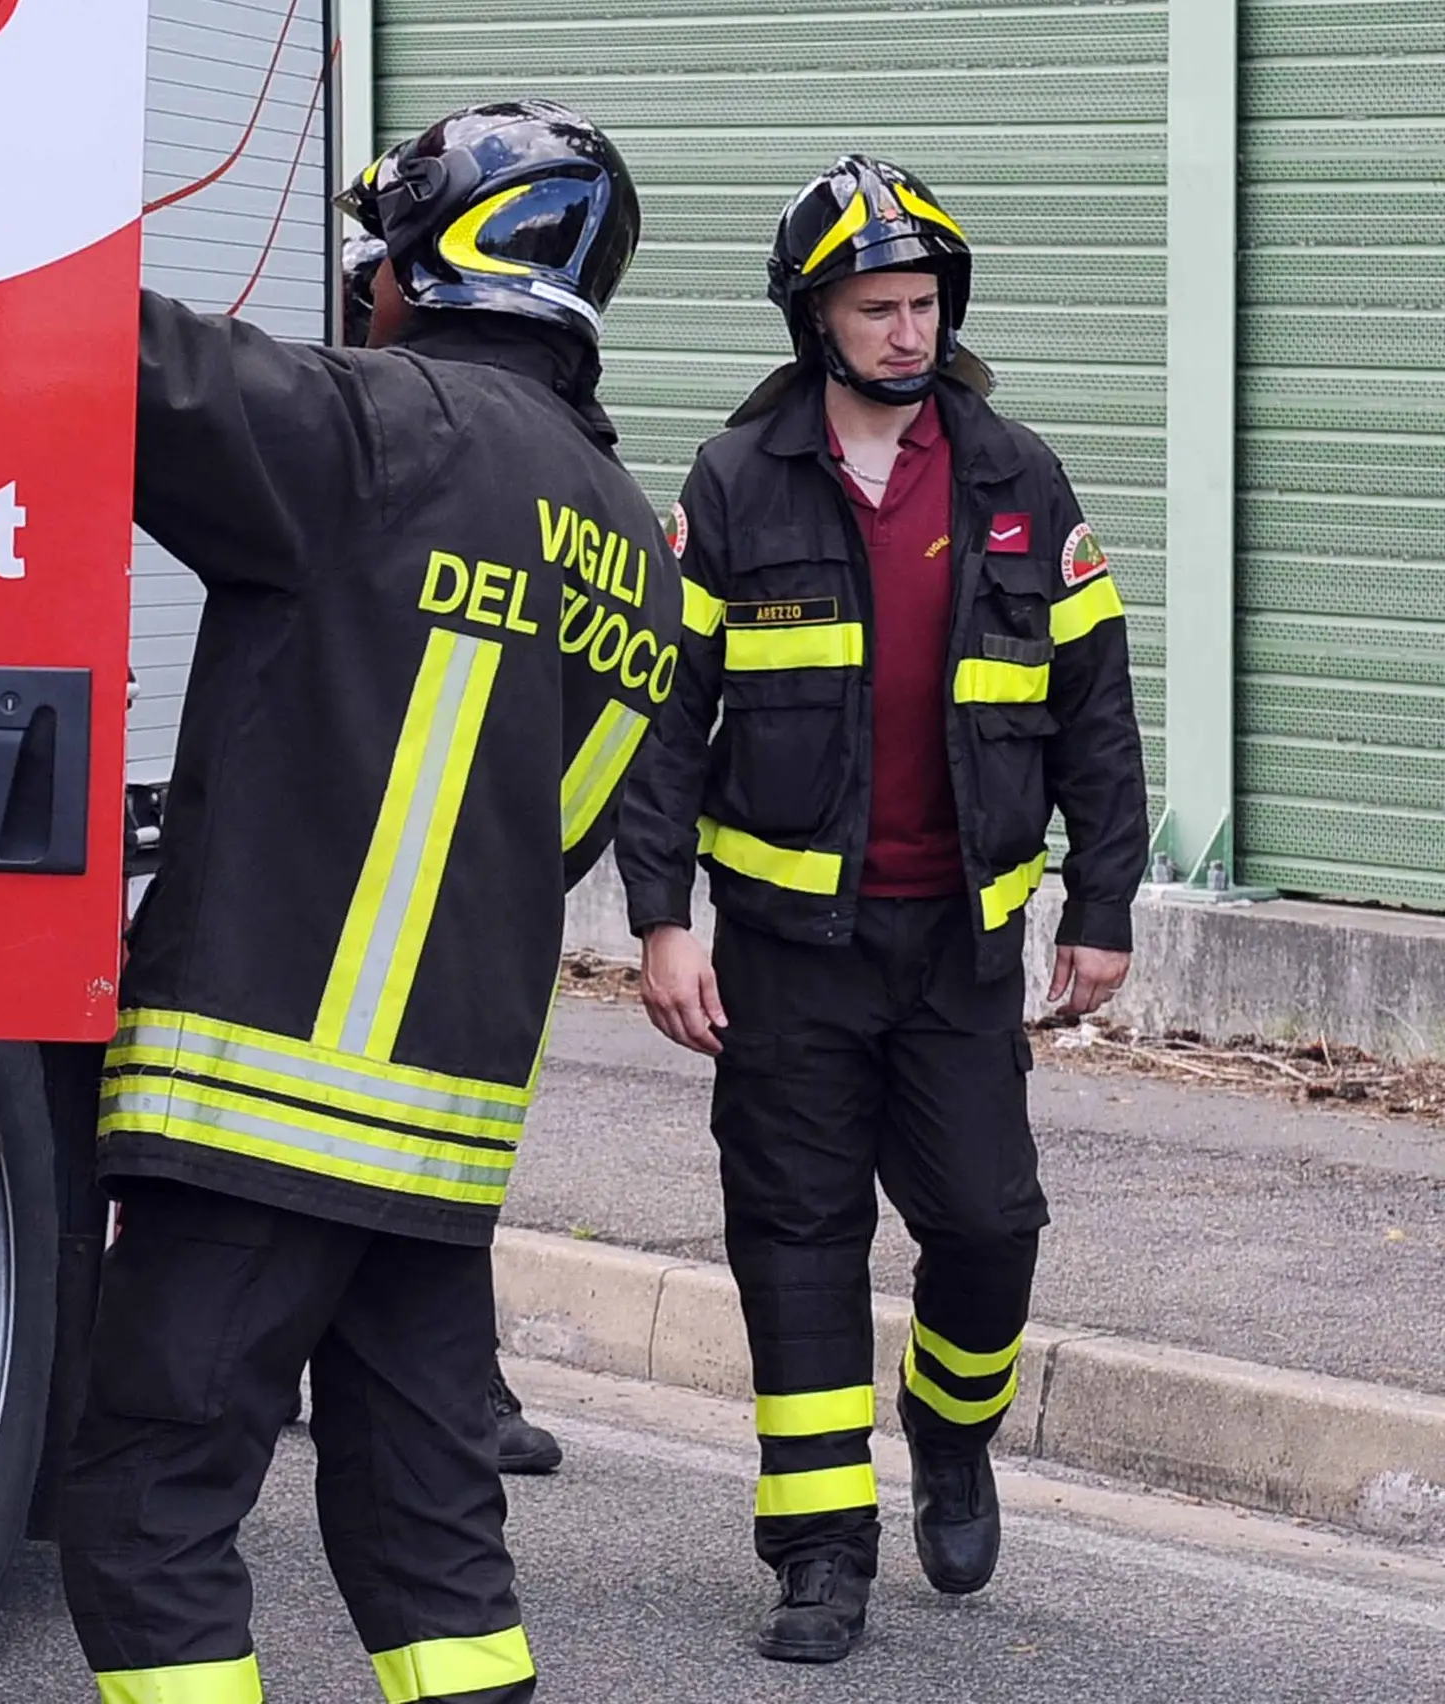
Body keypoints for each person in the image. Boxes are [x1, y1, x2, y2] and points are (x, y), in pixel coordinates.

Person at [60, 101, 677, 1704]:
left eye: (381, 259)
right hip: (439, 1132)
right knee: (430, 1540)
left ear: (453, 258)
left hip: (264, 1099)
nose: (366, 290)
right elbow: (559, 837)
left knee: (149, 1505)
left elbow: (119, 362)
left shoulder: (380, 431)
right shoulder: (633, 551)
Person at [613, 154, 1148, 1664]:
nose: (907, 333)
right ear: (817, 320)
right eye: (877, 307)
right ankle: (819, 1557)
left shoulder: (1017, 479)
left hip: (960, 953)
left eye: (923, 305)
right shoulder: (733, 486)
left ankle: (954, 1427)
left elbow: (1096, 708)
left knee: (988, 1226)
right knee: (795, 1246)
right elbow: (663, 715)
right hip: (787, 960)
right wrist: (662, 919)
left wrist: (1101, 904)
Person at [338, 227, 564, 1480]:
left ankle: (456, 1382)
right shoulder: (359, 424)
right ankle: (447, 1388)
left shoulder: (445, 440)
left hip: (427, 913)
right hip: (419, 914)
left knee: (419, 1171)